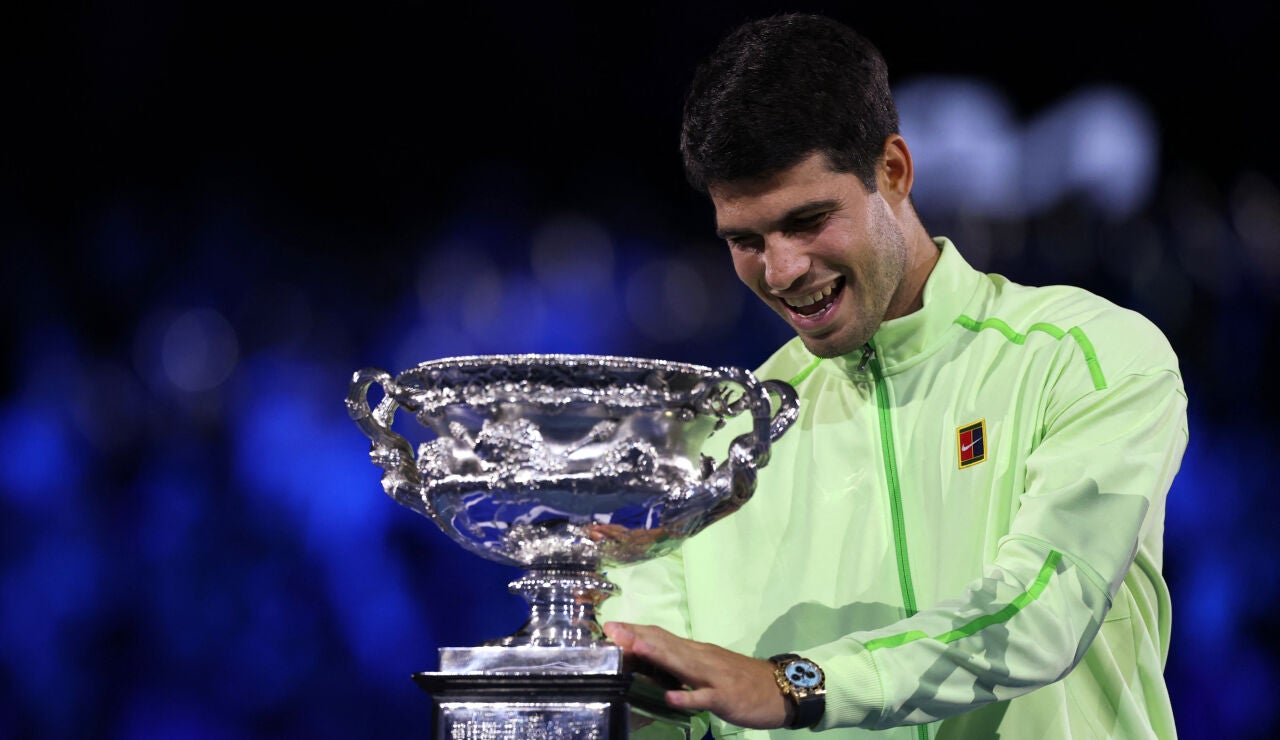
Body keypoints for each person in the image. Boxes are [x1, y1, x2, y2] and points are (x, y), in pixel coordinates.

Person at [599, 12, 1188, 739]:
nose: (781, 270)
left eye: (809, 219)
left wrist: (790, 685)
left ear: (894, 171)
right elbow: (667, 714)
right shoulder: (718, 444)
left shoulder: (1090, 355)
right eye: (746, 240)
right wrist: (594, 635)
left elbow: (1042, 616)